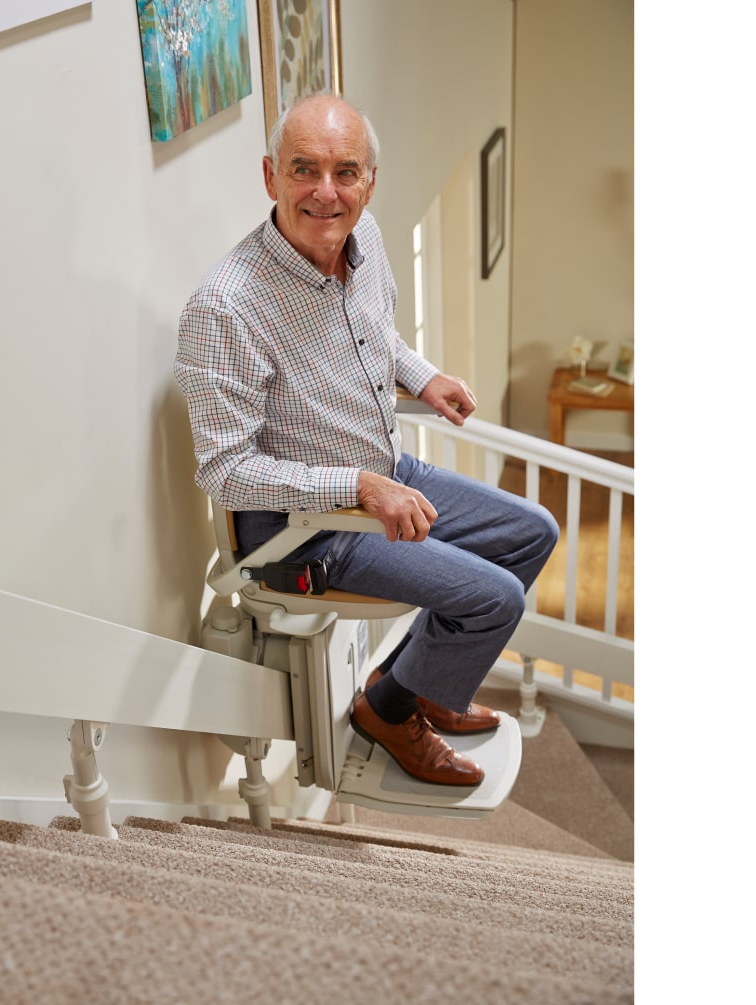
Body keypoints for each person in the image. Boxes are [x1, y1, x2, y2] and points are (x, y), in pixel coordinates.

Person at [175, 94, 558, 786]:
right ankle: (394, 707)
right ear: (269, 177)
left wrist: (423, 374)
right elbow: (226, 472)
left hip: (381, 467)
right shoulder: (225, 308)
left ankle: (403, 687)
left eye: (345, 172)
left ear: (369, 181)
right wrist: (355, 487)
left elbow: (375, 334)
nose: (326, 192)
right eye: (303, 170)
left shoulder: (368, 237)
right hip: (305, 526)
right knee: (495, 599)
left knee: (533, 532)